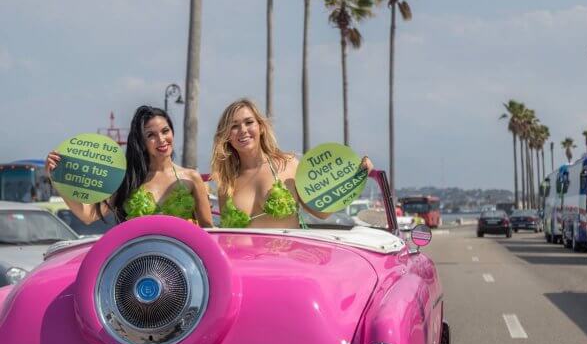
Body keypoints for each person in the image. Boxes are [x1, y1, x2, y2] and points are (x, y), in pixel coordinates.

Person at [210, 98, 372, 229]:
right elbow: (227, 234)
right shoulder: (227, 183)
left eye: (249, 122)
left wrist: (356, 178)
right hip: (245, 265)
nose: (243, 130)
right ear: (227, 136)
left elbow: (322, 213)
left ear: (261, 127)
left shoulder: (287, 165)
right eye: (234, 126)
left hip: (287, 263)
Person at [45, 106, 213, 227]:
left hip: (184, 266)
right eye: (151, 135)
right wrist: (56, 179)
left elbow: (208, 229)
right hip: (137, 265)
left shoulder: (191, 178)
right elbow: (88, 215)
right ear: (141, 141)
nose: (161, 139)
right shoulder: (128, 179)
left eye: (165, 131)